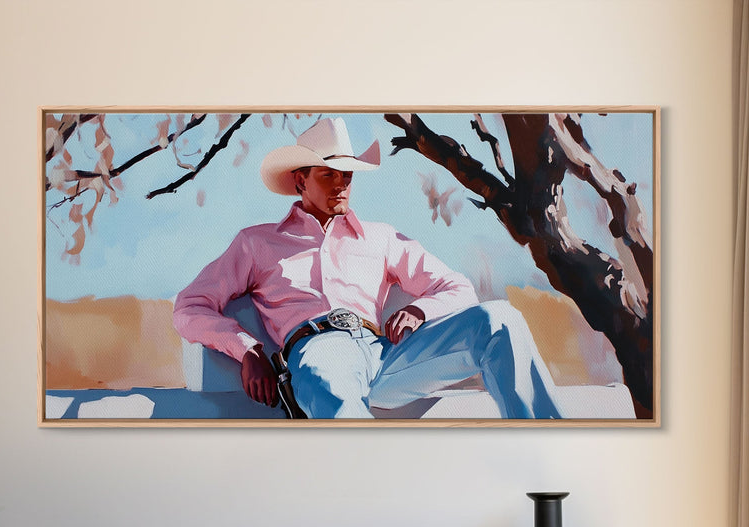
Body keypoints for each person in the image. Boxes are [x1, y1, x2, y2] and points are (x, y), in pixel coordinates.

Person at [173, 117, 563, 419]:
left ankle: (549, 461)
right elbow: (190, 307)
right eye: (328, 174)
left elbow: (457, 287)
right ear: (299, 182)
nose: (341, 184)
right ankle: (368, 506)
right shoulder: (256, 243)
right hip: (319, 351)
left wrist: (418, 309)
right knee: (331, 382)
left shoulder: (381, 238)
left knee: (501, 320)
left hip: (387, 355)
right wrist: (247, 351)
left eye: (347, 175)